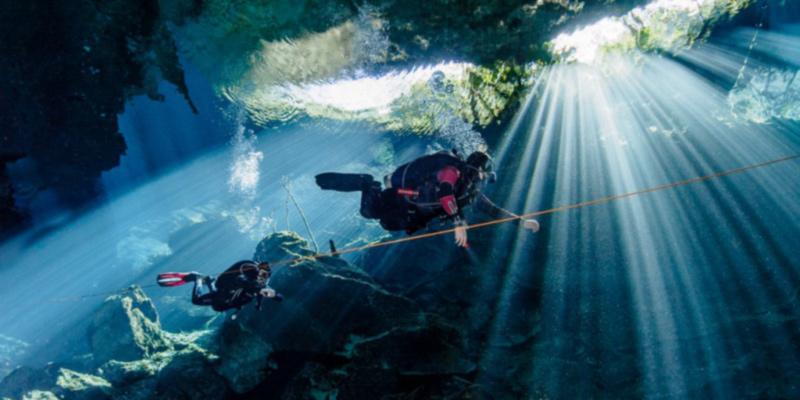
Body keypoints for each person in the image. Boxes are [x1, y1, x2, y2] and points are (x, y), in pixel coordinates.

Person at [315, 150, 539, 247]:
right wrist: (459, 222)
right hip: (400, 199)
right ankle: (366, 182)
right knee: (367, 212)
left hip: (411, 214)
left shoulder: (470, 193)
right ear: (473, 168)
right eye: (482, 175)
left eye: (485, 178)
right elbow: (444, 191)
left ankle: (370, 186)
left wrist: (522, 222)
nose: (481, 181)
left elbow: (494, 211)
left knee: (386, 224)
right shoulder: (453, 171)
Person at [158, 260, 282, 312]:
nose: (262, 279)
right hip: (223, 294)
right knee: (196, 300)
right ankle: (196, 278)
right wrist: (251, 285)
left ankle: (209, 282)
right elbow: (241, 279)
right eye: (262, 274)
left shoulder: (260, 287)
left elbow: (276, 296)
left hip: (225, 301)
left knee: (216, 306)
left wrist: (274, 295)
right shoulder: (248, 276)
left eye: (266, 276)